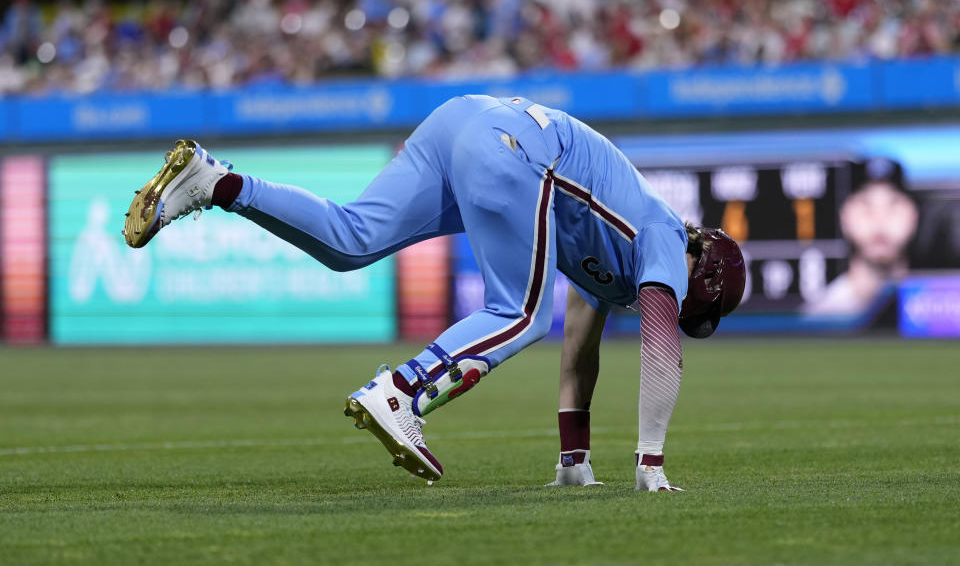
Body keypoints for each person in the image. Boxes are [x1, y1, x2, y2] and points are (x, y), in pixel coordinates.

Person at [123, 95, 745, 491]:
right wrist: (651, 464)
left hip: (462, 121)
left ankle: (217, 182)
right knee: (523, 314)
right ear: (705, 272)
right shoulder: (665, 234)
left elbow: (582, 347)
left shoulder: (623, 257)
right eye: (700, 305)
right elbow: (662, 351)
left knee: (350, 240)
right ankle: (402, 391)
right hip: (518, 150)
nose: (682, 308)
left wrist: (573, 459)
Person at [804, 158, 918, 316]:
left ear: (913, 216)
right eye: (865, 205)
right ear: (844, 218)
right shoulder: (823, 315)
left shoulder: (938, 308)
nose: (880, 220)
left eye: (893, 204)